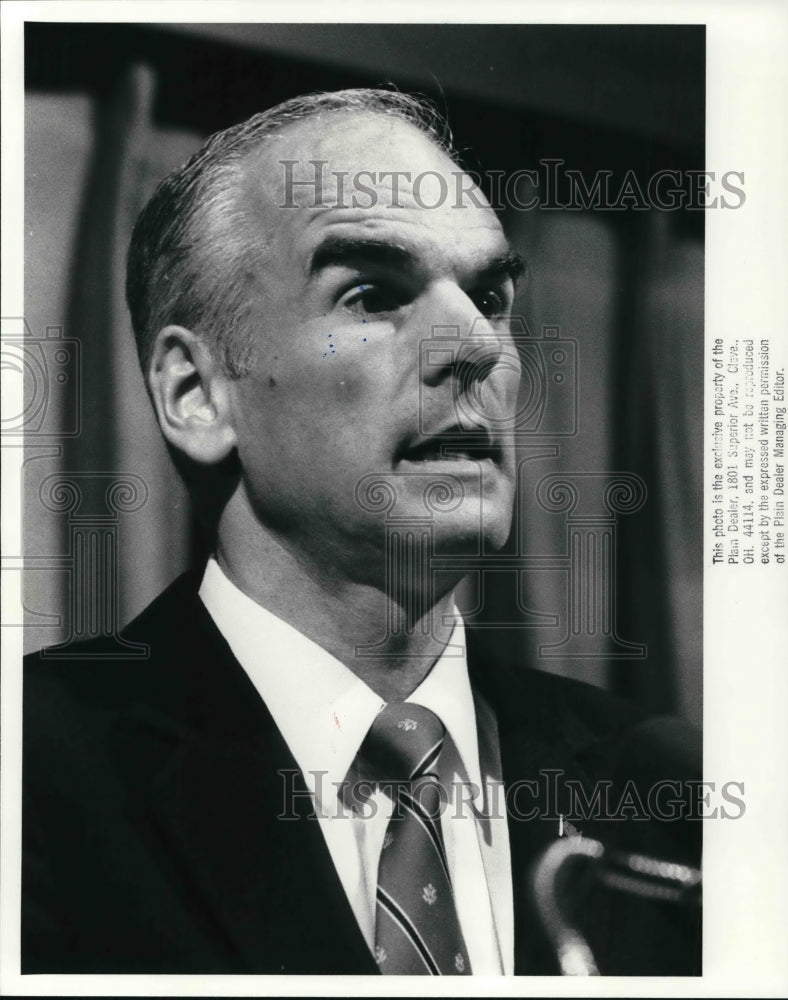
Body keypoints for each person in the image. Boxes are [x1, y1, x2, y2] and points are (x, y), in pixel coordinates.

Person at [22, 89, 701, 976]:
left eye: (490, 295)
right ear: (196, 396)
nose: (476, 345)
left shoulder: (661, 788)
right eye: (374, 293)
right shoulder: (34, 775)